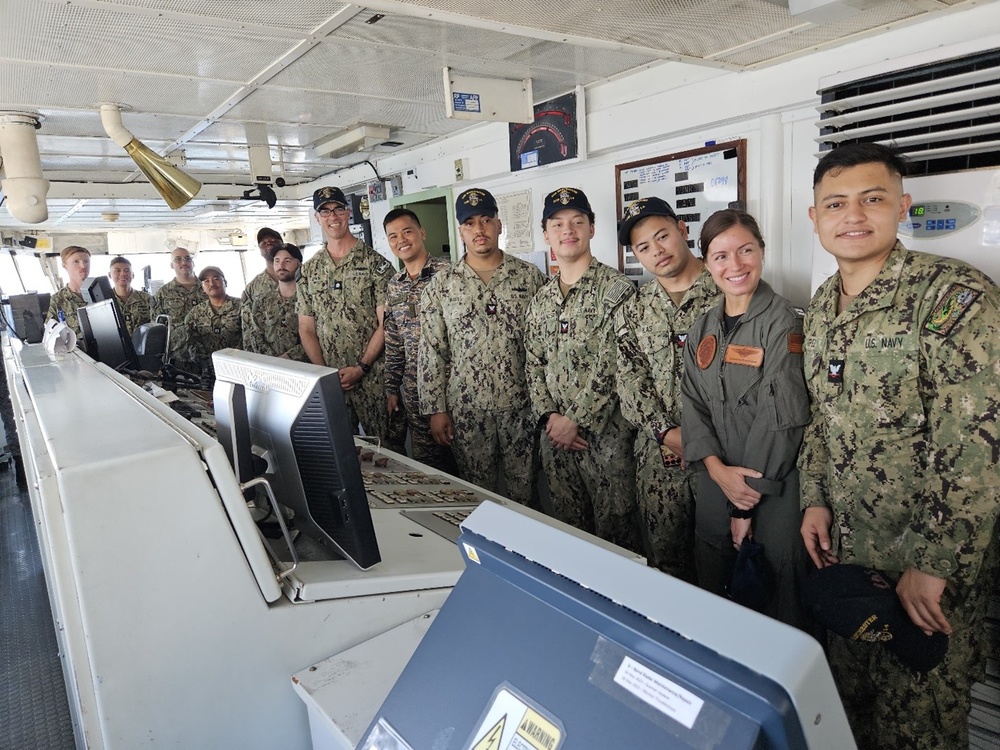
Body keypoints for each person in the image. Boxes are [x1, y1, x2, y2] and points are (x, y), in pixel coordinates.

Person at [798, 141, 1000, 750]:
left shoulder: (952, 298)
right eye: (835, 203)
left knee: (922, 728)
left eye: (873, 198)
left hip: (923, 573)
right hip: (849, 560)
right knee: (847, 718)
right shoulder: (820, 309)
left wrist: (935, 564)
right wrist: (815, 497)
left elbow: (978, 445)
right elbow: (821, 419)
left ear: (902, 206)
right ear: (815, 217)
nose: (853, 215)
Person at [681, 209, 812, 630]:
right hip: (714, 480)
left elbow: (782, 418)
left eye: (745, 251)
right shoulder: (702, 325)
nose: (734, 265)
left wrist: (744, 501)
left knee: (773, 599)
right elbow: (692, 401)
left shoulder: (782, 322)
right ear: (706, 264)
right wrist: (716, 471)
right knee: (715, 589)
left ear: (761, 252)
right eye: (720, 256)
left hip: (769, 489)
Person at [523, 187, 640, 551]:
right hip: (556, 439)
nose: (567, 230)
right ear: (546, 235)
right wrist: (550, 418)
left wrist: (575, 419)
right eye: (557, 224)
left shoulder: (618, 290)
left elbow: (617, 363)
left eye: (577, 221)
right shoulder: (541, 298)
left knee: (615, 538)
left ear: (592, 228)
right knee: (568, 536)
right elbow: (533, 362)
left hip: (606, 440)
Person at [614, 197, 720, 582]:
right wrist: (665, 432)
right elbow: (628, 378)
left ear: (683, 230)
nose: (657, 251)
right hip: (660, 461)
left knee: (724, 566)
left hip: (722, 460)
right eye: (644, 247)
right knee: (666, 564)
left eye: (662, 236)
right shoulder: (634, 308)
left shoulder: (729, 289)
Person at [418, 188, 545, 505]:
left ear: (499, 225)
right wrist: (436, 409)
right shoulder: (442, 285)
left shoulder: (529, 278)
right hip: (468, 408)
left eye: (486, 220)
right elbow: (432, 350)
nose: (479, 229)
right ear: (460, 230)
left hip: (522, 406)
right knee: (477, 492)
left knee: (524, 492)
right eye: (470, 223)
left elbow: (546, 346)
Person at [297, 186, 398, 446]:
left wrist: (361, 367)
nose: (333, 216)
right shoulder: (310, 271)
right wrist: (326, 374)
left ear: (348, 213)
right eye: (325, 211)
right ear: (317, 218)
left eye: (338, 209)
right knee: (340, 451)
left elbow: (385, 324)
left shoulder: (376, 264)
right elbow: (306, 328)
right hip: (331, 380)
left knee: (387, 450)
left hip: (372, 376)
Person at [382, 208, 457, 473]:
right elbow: (393, 342)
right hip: (415, 397)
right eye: (393, 236)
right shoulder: (394, 285)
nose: (401, 240)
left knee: (466, 472)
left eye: (407, 231)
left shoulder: (449, 275)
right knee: (430, 471)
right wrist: (391, 388)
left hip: (453, 393)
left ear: (422, 232)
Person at [244, 243, 306, 361]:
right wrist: (272, 361)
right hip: (268, 367)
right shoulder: (262, 301)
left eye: (287, 261)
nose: (281, 265)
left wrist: (287, 357)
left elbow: (313, 335)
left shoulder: (308, 299)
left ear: (299, 264)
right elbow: (255, 335)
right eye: (277, 261)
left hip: (302, 367)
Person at [178, 266, 241, 382]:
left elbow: (250, 338)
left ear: (225, 282)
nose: (211, 283)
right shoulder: (196, 313)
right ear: (202, 288)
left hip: (237, 369)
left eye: (216, 278)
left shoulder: (242, 307)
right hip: (206, 374)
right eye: (206, 281)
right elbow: (189, 341)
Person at [152, 246, 206, 372]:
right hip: (178, 359)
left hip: (208, 355)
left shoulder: (208, 287)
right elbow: (157, 328)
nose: (183, 262)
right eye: (178, 259)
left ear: (192, 263)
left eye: (187, 259)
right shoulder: (162, 294)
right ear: (171, 265)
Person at [241, 227, 282, 354]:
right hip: (268, 357)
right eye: (263, 243)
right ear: (260, 250)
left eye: (273, 241)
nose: (268, 244)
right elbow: (248, 327)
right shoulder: (253, 287)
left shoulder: (304, 276)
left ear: (283, 245)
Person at [46, 245, 91, 337]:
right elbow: (50, 333)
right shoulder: (58, 299)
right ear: (65, 265)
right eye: (76, 262)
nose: (83, 266)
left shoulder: (102, 294)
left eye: (86, 261)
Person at [108, 256, 152, 335]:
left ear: (133, 275)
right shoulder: (104, 300)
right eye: (117, 270)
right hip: (113, 346)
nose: (123, 274)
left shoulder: (146, 299)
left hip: (142, 346)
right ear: (109, 275)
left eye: (127, 270)